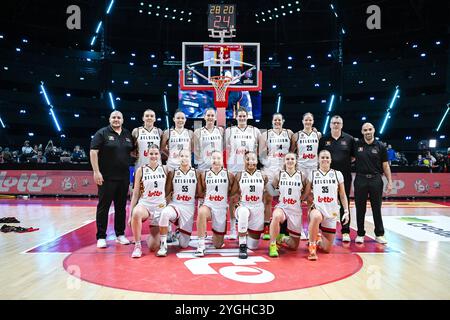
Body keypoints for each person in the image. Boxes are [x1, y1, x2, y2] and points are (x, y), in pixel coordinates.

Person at [90, 110, 134, 248]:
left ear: (122, 120)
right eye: (114, 117)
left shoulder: (128, 134)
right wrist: (96, 172)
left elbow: (133, 152)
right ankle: (101, 236)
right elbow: (93, 152)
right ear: (109, 119)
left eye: (119, 117)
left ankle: (120, 235)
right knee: (104, 207)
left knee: (121, 207)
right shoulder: (102, 133)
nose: (116, 119)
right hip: (106, 177)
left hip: (123, 177)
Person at [225, 107, 262, 239]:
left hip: (249, 168)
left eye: (243, 116)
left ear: (247, 117)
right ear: (236, 117)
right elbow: (224, 146)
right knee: (233, 198)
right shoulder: (229, 131)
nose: (241, 118)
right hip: (234, 167)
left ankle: (249, 225)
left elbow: (262, 147)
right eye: (239, 116)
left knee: (249, 196)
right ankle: (233, 228)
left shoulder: (255, 131)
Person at [156, 149, 202, 257]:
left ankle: (178, 231)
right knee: (165, 213)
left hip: (188, 208)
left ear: (190, 158)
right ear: (179, 158)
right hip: (176, 204)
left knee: (183, 245)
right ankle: (163, 245)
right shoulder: (173, 173)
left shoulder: (196, 173)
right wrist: (160, 204)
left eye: (186, 156)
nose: (184, 158)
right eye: (182, 156)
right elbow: (166, 192)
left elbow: (199, 194)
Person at [306, 150, 350, 260]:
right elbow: (306, 193)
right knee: (315, 217)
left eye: (327, 157)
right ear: (318, 159)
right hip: (318, 207)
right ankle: (312, 246)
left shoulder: (337, 174)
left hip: (331, 211)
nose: (325, 159)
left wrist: (346, 211)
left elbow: (343, 194)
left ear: (330, 160)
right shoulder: (313, 174)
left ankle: (318, 238)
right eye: (322, 157)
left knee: (327, 249)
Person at [353, 123, 393, 244]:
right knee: (360, 208)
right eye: (365, 130)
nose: (368, 132)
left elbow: (385, 165)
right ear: (362, 131)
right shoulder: (356, 145)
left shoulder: (380, 146)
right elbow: (348, 158)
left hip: (376, 179)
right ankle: (360, 234)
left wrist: (390, 181)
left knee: (377, 208)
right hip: (360, 179)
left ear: (374, 130)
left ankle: (379, 234)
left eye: (370, 129)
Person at [318, 115, 355, 242]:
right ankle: (320, 230)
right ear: (330, 125)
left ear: (342, 125)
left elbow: (353, 157)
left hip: (344, 176)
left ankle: (345, 231)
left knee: (344, 201)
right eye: (334, 123)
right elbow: (320, 157)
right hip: (326, 177)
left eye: (338, 123)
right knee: (323, 201)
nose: (336, 125)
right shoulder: (324, 139)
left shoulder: (349, 139)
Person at [128, 144, 168, 258]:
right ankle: (137, 246)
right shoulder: (141, 170)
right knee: (136, 213)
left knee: (153, 247)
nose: (154, 156)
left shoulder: (165, 169)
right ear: (147, 154)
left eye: (156, 154)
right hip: (145, 205)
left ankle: (155, 236)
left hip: (160, 207)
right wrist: (130, 215)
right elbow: (135, 194)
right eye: (151, 153)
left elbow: (169, 190)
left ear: (159, 155)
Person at [260, 113, 294, 241]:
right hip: (270, 169)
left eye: (279, 120)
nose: (277, 122)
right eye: (275, 120)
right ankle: (267, 226)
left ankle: (284, 229)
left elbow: (292, 150)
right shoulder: (266, 134)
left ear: (283, 121)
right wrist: (267, 167)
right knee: (268, 199)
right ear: (272, 121)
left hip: (285, 169)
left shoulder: (289, 133)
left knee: (285, 199)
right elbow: (262, 154)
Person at [267, 153, 309, 257]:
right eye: (287, 159)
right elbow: (270, 188)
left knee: (294, 246)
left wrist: (302, 198)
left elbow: (307, 189)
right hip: (283, 207)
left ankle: (282, 238)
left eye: (292, 159)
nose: (290, 161)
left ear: (296, 161)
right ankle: (272, 245)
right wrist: (277, 195)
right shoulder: (279, 175)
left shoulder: (302, 176)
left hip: (295, 210)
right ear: (284, 161)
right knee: (276, 216)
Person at [195, 151, 235, 256]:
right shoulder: (204, 174)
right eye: (213, 158)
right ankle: (201, 244)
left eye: (218, 158)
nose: (215, 161)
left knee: (218, 244)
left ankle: (215, 236)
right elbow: (201, 192)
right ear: (210, 160)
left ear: (222, 161)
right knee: (202, 212)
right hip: (209, 205)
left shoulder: (229, 175)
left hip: (221, 209)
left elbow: (232, 193)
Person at [230, 151, 268, 259]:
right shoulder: (239, 175)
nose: (250, 162)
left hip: (258, 207)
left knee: (253, 246)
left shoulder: (263, 175)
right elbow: (233, 195)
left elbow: (267, 195)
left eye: (253, 159)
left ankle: (243, 233)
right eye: (247, 159)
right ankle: (242, 244)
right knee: (243, 212)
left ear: (257, 161)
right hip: (244, 204)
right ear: (244, 161)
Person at [290, 112, 322, 239]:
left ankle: (311, 229)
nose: (308, 122)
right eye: (306, 120)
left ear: (313, 121)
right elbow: (292, 153)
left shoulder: (318, 134)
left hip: (314, 169)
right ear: (302, 121)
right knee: (298, 200)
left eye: (310, 120)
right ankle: (298, 229)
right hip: (301, 169)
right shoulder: (296, 135)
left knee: (311, 200)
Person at [193, 108, 224, 172]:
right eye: (208, 115)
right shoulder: (198, 131)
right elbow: (195, 150)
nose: (210, 117)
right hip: (203, 167)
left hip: (218, 167)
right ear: (204, 117)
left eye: (212, 115)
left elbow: (223, 148)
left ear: (215, 118)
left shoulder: (220, 130)